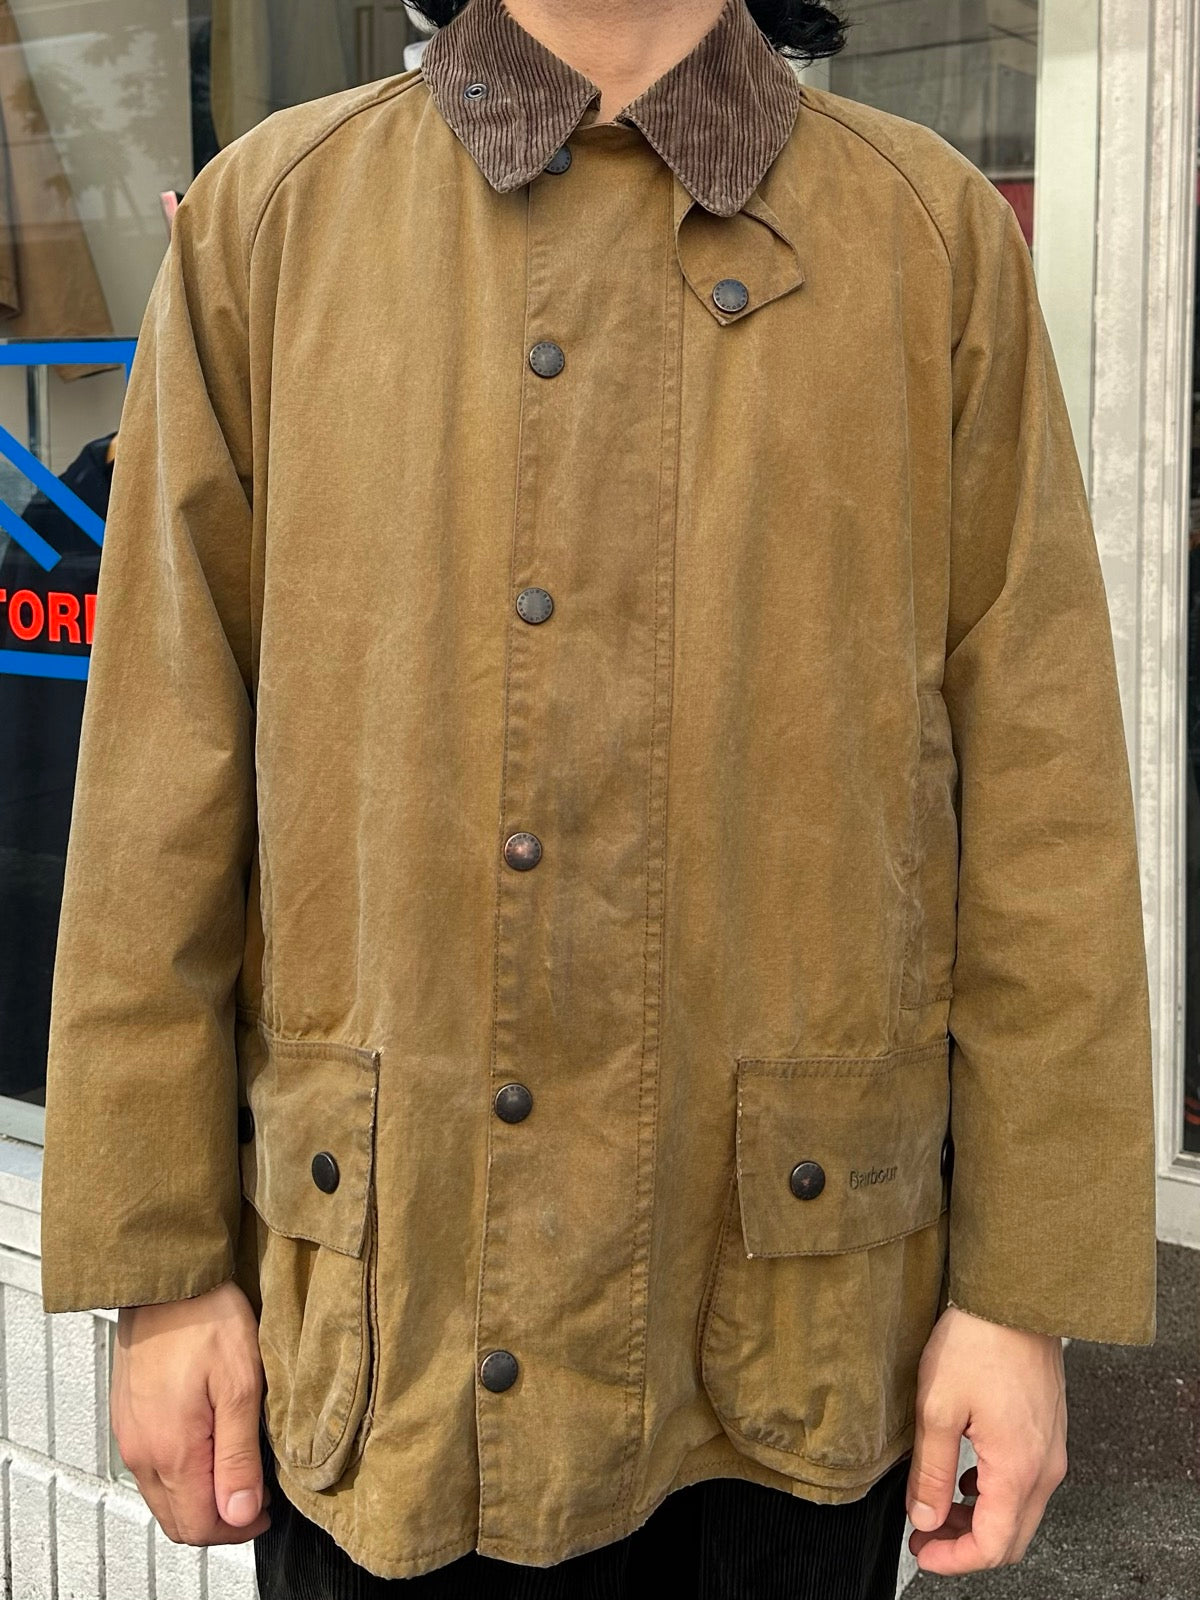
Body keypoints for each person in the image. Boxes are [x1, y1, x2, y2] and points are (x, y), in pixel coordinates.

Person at [37, 1, 1158, 1597]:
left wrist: (1020, 1298)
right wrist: (160, 1271)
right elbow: (159, 796)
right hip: (391, 1331)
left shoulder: (925, 237)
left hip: (786, 1336)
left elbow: (1045, 810)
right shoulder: (275, 220)